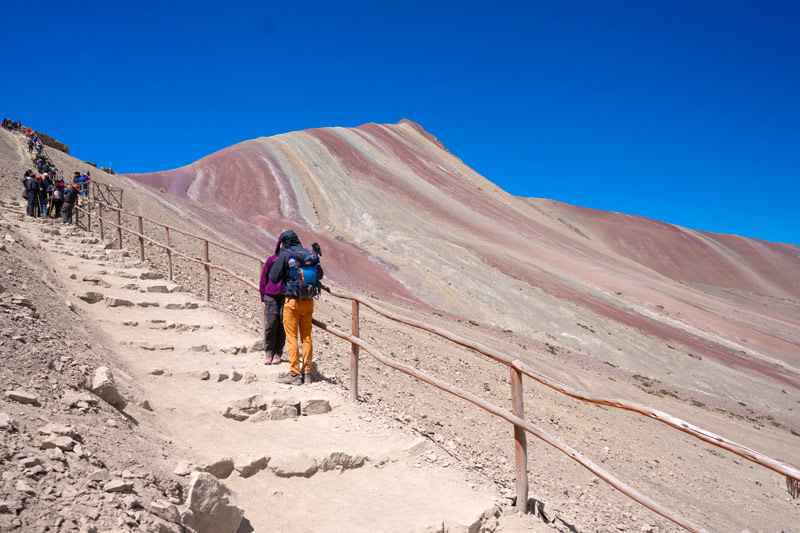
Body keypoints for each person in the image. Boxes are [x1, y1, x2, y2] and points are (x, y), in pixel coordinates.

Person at [268, 230, 323, 385]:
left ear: (283, 242)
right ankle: (307, 374)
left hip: (292, 302)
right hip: (308, 302)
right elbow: (319, 275)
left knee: (291, 337)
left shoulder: (286, 254)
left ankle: (294, 375)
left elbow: (273, 277)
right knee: (306, 337)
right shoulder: (309, 254)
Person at [259, 237, 286, 365]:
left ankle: (278, 352)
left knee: (282, 324)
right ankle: (269, 351)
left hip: (285, 297)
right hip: (270, 296)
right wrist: (262, 296)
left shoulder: (290, 261)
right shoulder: (271, 260)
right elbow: (263, 279)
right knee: (271, 323)